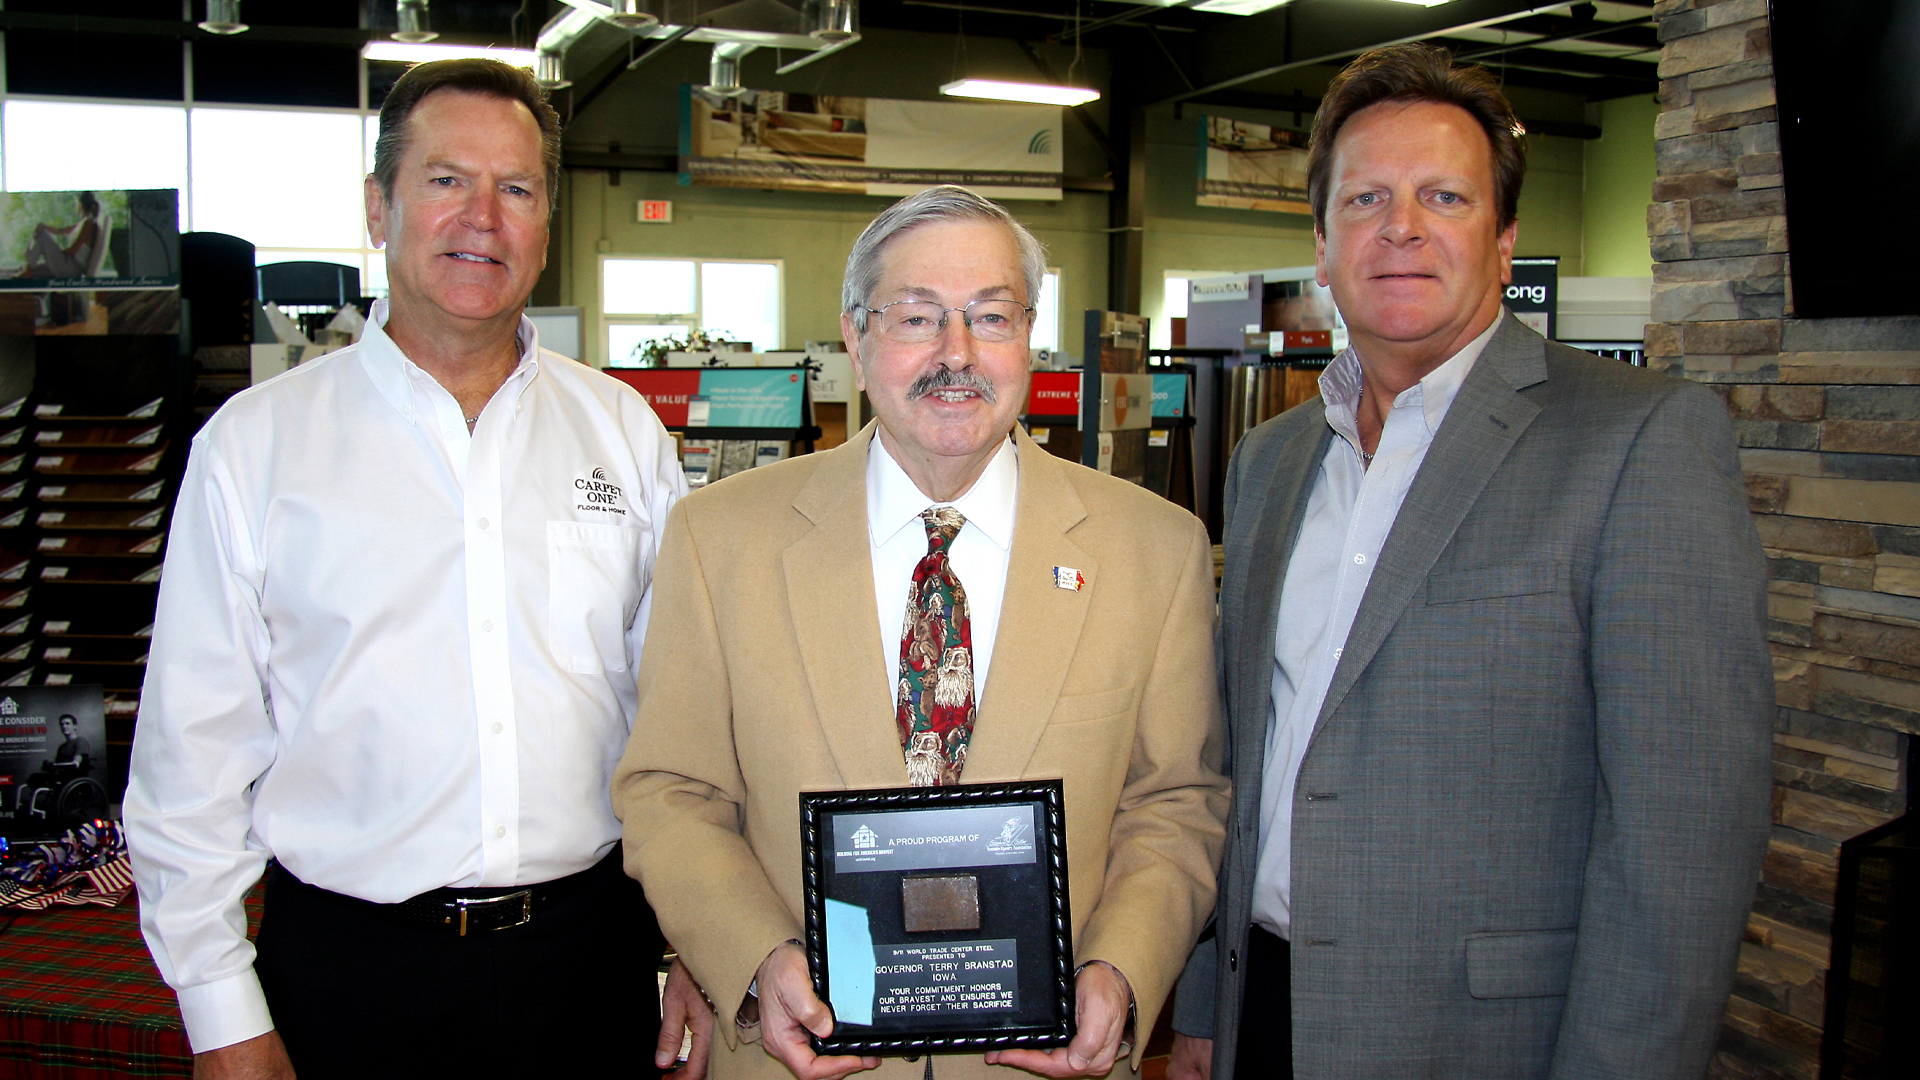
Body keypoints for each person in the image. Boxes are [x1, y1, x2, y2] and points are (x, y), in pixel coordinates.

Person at [1168, 44, 1774, 1080]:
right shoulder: (1270, 461)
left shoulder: (1640, 442)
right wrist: (1200, 1013)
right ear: (1321, 243)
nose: (1400, 227)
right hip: (1260, 1011)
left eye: (1444, 196)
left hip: (1486, 1041)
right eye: (1365, 199)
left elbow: (1682, 845)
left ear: (1503, 240)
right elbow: (1236, 756)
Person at [124, 58, 688, 1079]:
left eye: (516, 189)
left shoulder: (623, 435)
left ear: (547, 224)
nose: (484, 216)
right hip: (346, 979)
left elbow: (682, 719)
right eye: (445, 180)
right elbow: (187, 761)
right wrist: (221, 1014)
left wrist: (694, 940)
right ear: (378, 208)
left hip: (589, 967)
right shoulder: (256, 450)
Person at [614, 184, 1229, 1080]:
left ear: (1029, 338)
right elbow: (671, 789)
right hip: (799, 1058)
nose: (957, 353)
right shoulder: (721, 542)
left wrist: (1122, 969)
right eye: (917, 318)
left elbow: (1176, 801)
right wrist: (750, 960)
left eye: (991, 316)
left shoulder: (1156, 551)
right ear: (856, 340)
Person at [18, 191, 104, 278]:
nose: (75, 206)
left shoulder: (88, 224)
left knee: (42, 236)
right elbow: (61, 231)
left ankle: (29, 266)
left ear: (81, 205)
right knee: (34, 270)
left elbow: (72, 251)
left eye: (76, 203)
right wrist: (43, 226)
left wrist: (55, 253)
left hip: (71, 268)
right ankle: (27, 271)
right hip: (68, 266)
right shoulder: (82, 223)